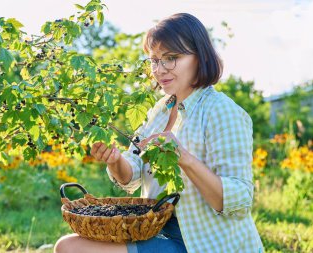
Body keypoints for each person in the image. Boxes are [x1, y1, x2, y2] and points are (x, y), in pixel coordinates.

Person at [54, 13, 264, 253]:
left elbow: (238, 200)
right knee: (69, 246)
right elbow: (130, 174)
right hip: (157, 231)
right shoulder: (159, 111)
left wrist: (183, 158)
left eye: (171, 58)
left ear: (200, 57)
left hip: (206, 243)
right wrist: (115, 161)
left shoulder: (222, 111)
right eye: (154, 60)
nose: (159, 69)